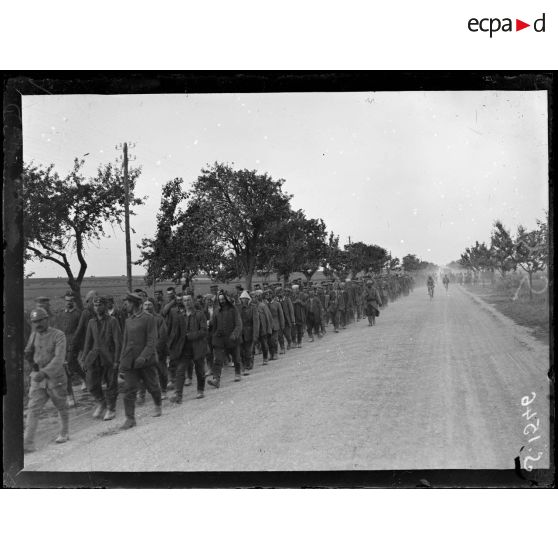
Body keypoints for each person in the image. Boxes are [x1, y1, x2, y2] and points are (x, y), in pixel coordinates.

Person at [23, 308, 69, 452]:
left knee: (61, 406)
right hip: (37, 379)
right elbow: (28, 352)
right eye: (34, 322)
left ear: (47, 319)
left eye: (40, 320)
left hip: (55, 378)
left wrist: (43, 372)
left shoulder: (58, 335)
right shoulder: (33, 335)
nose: (37, 324)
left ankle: (64, 432)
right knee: (33, 409)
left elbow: (59, 358)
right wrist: (31, 364)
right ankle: (28, 443)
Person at [119, 292, 162, 429]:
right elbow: (125, 343)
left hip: (146, 361)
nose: (126, 305)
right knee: (129, 390)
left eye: (128, 303)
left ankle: (158, 405)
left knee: (153, 386)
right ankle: (130, 419)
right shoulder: (128, 320)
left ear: (135, 304)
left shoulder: (148, 318)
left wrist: (143, 357)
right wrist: (122, 363)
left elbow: (152, 341)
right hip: (131, 362)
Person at [81, 296, 122, 421]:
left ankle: (111, 408)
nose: (97, 308)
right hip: (95, 357)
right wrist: (84, 359)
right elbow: (87, 342)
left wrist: (116, 361)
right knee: (91, 384)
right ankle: (101, 402)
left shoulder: (112, 321)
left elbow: (118, 342)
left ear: (104, 306)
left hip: (109, 357)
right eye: (95, 305)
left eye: (99, 305)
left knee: (111, 384)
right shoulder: (91, 322)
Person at [171, 293, 208, 402]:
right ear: (182, 303)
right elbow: (175, 333)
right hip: (184, 348)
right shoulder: (180, 316)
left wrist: (190, 336)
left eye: (189, 300)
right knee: (180, 370)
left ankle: (200, 390)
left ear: (193, 301)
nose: (187, 302)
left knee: (200, 370)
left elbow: (204, 331)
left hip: (198, 346)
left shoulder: (200, 314)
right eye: (185, 300)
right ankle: (178, 395)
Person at [56, 291, 86, 402]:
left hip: (74, 342)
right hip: (63, 342)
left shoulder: (78, 314)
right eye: (67, 301)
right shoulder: (61, 314)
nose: (69, 303)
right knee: (72, 364)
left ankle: (70, 396)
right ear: (65, 301)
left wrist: (79, 344)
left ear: (74, 302)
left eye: (71, 301)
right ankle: (85, 378)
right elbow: (59, 328)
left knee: (68, 364)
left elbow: (81, 330)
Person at [208, 290, 242, 387]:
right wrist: (213, 333)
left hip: (232, 338)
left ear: (226, 299)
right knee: (218, 360)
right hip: (220, 340)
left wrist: (235, 334)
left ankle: (237, 373)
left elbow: (239, 324)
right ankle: (216, 379)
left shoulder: (233, 309)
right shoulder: (216, 311)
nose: (222, 301)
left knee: (236, 358)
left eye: (223, 299)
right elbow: (213, 325)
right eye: (220, 300)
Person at [138, 299, 169, 401]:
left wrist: (155, 349)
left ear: (153, 306)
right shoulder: (139, 319)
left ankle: (163, 390)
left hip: (158, 351)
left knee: (161, 371)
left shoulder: (159, 318)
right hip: (144, 351)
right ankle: (141, 394)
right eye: (145, 305)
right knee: (143, 373)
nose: (147, 307)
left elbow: (163, 335)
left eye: (149, 305)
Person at [238, 290, 259, 374]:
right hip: (240, 332)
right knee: (241, 350)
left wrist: (255, 334)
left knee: (249, 350)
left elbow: (256, 322)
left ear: (248, 299)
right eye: (242, 299)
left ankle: (249, 364)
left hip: (249, 331)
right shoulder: (238, 308)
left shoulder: (253, 307)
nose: (243, 300)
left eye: (245, 299)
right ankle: (243, 365)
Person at [266, 289, 285, 360]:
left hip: (275, 325)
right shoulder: (264, 304)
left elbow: (281, 315)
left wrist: (282, 324)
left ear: (272, 295)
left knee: (274, 340)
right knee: (269, 341)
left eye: (269, 294)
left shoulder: (277, 304)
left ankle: (275, 353)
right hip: (267, 326)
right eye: (266, 295)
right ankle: (271, 354)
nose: (268, 296)